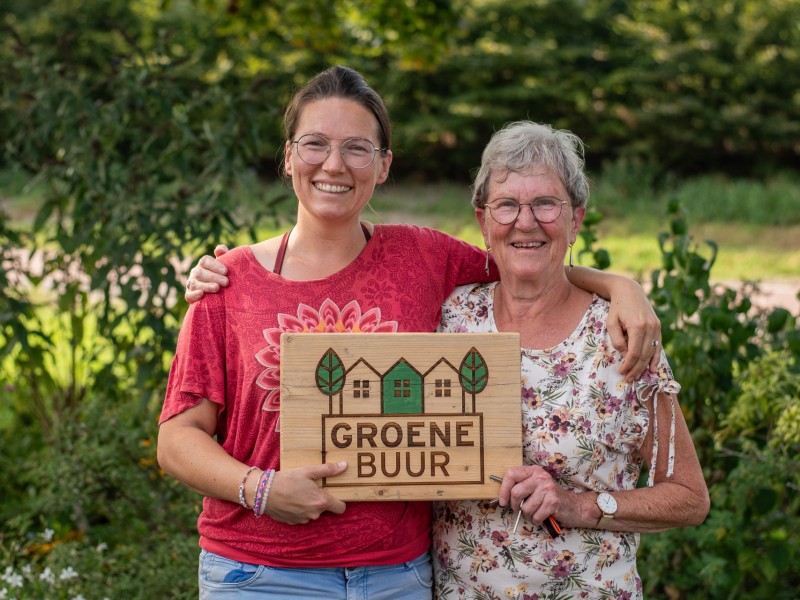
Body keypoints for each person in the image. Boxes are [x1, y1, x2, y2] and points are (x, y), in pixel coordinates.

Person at [161, 65, 662, 600]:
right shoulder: (231, 282)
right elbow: (176, 438)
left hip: (398, 577)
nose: (334, 164)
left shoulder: (424, 256)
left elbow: (526, 258)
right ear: (288, 157)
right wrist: (259, 489)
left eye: (357, 148)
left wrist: (620, 285)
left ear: (383, 167)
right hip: (260, 574)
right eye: (314, 144)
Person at [430, 121, 709, 599]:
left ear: (575, 219)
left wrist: (579, 505)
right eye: (507, 205)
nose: (525, 221)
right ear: (482, 221)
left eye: (545, 204)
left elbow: (688, 498)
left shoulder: (623, 334)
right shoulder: (450, 317)